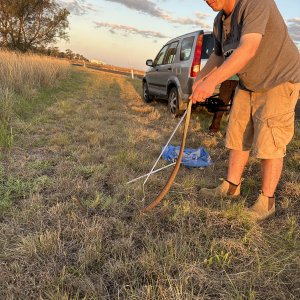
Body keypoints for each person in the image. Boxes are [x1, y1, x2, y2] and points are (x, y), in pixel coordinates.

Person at [191, 0, 300, 221]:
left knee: (269, 141)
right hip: (248, 82)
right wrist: (199, 79)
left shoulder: (256, 3)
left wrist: (212, 83)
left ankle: (266, 202)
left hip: (279, 79)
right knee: (237, 132)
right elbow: (218, 55)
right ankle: (231, 186)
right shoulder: (219, 21)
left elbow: (248, 48)